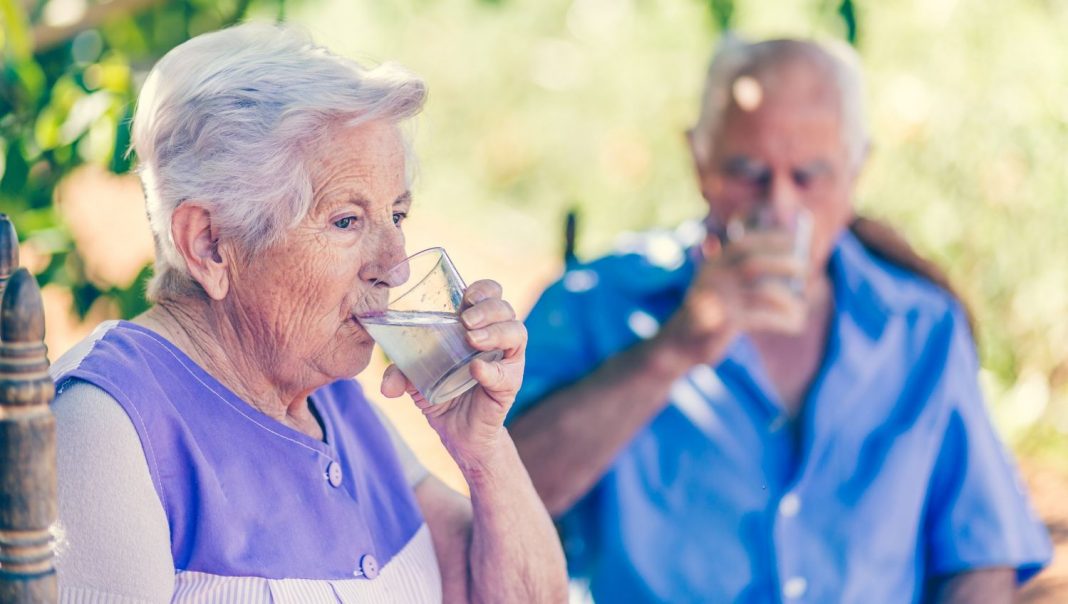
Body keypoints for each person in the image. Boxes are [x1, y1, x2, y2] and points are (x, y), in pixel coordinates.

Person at [507, 37, 1051, 603]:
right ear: (698, 161)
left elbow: (981, 555)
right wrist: (674, 349)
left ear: (857, 170)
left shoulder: (921, 327)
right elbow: (503, 504)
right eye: (747, 172)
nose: (780, 206)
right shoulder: (593, 302)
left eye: (810, 176)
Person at [48, 23, 567, 602]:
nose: (395, 266)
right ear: (211, 244)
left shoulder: (333, 401)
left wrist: (483, 452)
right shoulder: (103, 426)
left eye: (396, 215)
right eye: (346, 220)